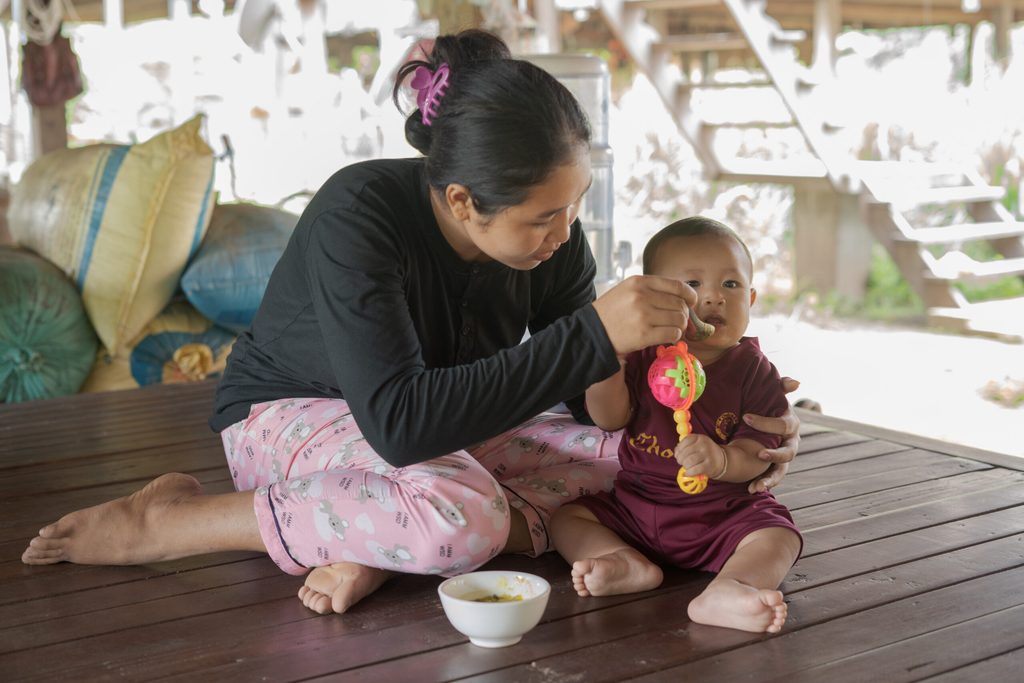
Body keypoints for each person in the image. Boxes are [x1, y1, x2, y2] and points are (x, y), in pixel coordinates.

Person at [21, 31, 801, 616]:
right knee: (464, 517)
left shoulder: (554, 236)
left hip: (445, 436)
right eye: (542, 218)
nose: (565, 233)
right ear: (463, 201)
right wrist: (592, 334)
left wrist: (705, 396)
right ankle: (171, 522)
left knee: (622, 458)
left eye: (573, 206)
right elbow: (397, 423)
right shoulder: (359, 214)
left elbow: (590, 406)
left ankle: (376, 544)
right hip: (294, 420)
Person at [551, 217, 803, 634]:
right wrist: (609, 360)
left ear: (752, 298)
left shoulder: (754, 371)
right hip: (636, 506)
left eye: (730, 285)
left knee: (779, 536)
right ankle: (624, 561)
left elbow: (760, 453)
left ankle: (729, 589)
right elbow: (609, 418)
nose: (713, 299)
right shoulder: (642, 355)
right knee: (568, 519)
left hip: (723, 516)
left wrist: (722, 460)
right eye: (692, 285)